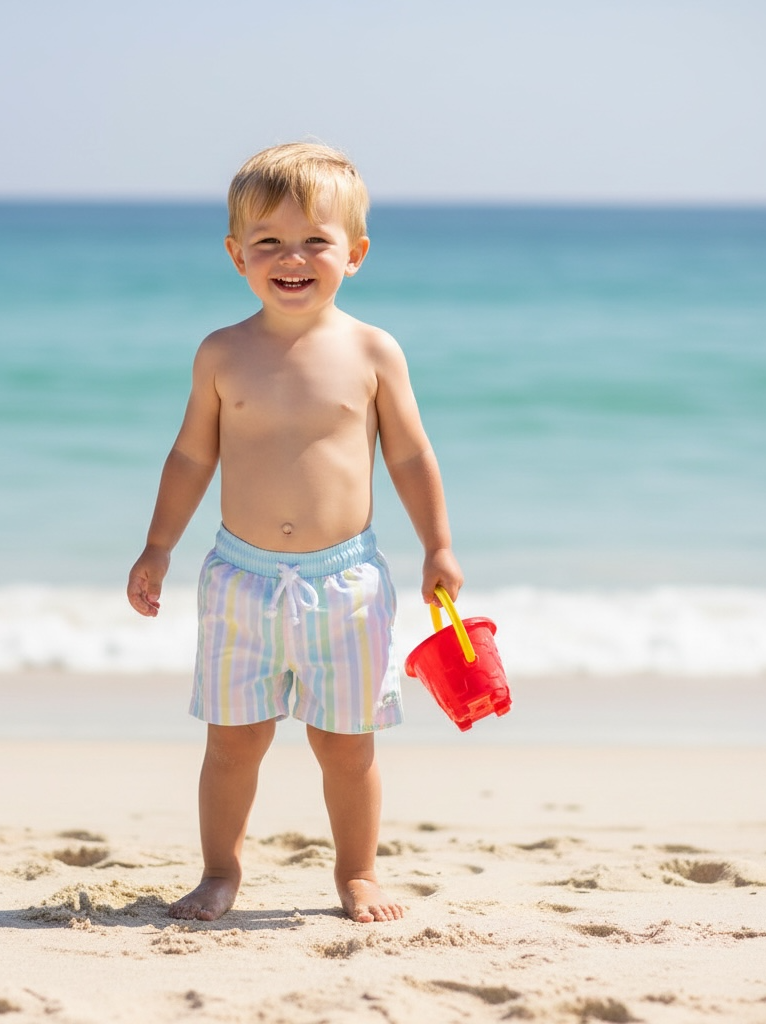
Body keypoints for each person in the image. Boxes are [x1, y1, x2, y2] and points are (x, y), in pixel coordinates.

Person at [127, 142, 463, 924]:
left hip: (346, 582)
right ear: (235, 254)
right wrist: (158, 546)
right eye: (269, 242)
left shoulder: (373, 351)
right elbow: (190, 455)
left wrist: (438, 544)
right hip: (240, 577)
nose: (293, 258)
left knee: (345, 745)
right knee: (232, 742)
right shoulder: (222, 352)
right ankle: (220, 871)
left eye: (315, 240)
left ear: (356, 254)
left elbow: (410, 454)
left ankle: (358, 875)